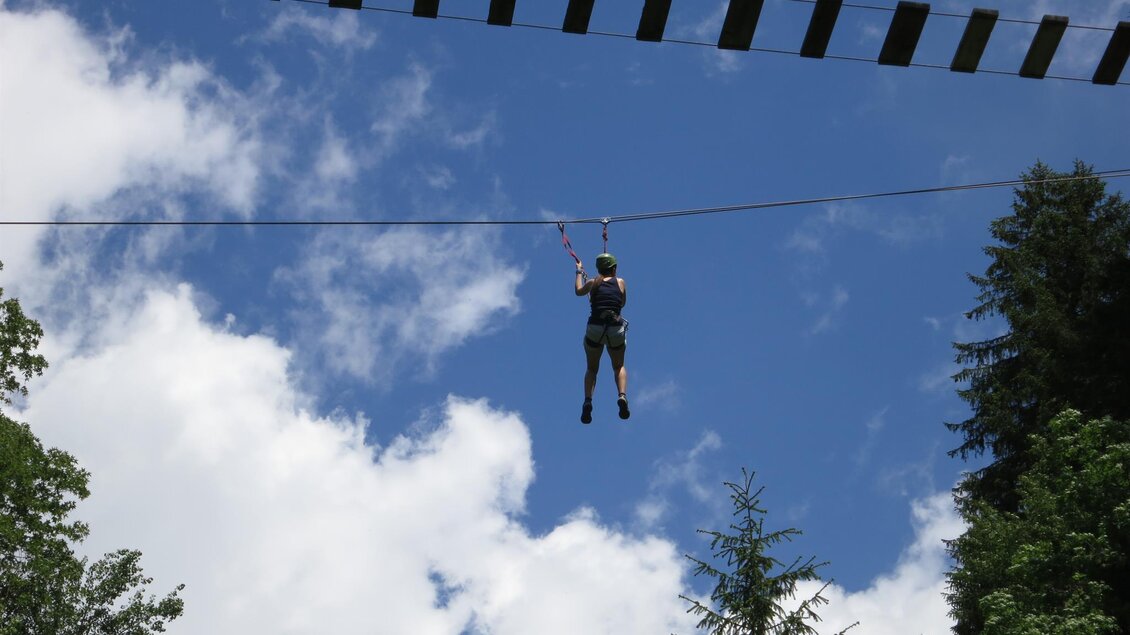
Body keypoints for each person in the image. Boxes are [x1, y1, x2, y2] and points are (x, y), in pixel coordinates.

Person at [574, 253, 629, 424]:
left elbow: (578, 291)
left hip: (595, 329)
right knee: (618, 365)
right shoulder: (620, 282)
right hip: (615, 328)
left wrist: (578, 272)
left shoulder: (592, 283)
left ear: (598, 269)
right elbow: (622, 303)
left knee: (592, 369)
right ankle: (622, 396)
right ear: (614, 268)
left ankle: (588, 400)